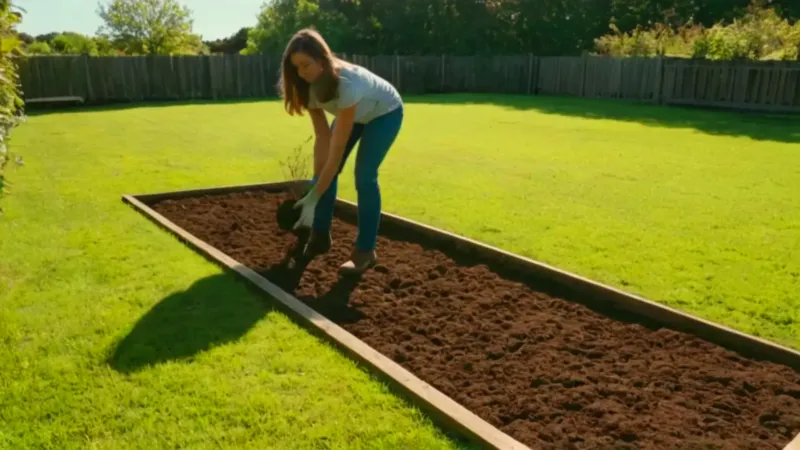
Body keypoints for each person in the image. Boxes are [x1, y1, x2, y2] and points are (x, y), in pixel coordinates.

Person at [278, 28, 404, 275]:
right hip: (355, 115)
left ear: (322, 59)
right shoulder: (308, 87)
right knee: (325, 174)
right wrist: (316, 185)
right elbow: (323, 138)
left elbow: (335, 153)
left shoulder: (346, 83)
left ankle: (365, 252)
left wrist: (314, 197)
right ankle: (320, 236)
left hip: (384, 113)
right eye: (296, 68)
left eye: (306, 65)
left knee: (365, 176)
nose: (302, 73)